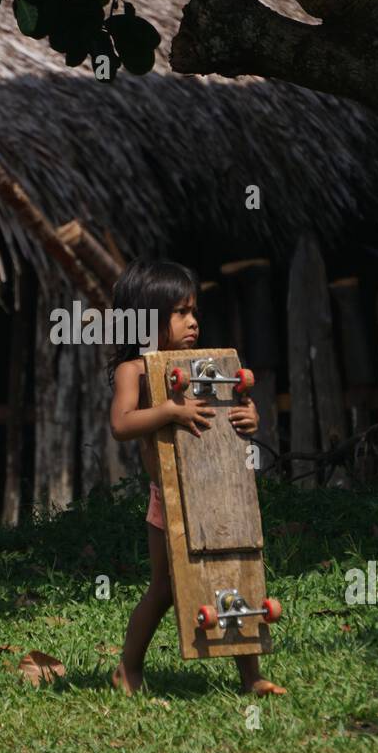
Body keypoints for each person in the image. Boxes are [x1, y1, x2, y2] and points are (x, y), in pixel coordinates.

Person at [105, 259, 286, 697]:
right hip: (168, 500)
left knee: (236, 576)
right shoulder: (135, 370)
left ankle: (251, 675)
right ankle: (127, 669)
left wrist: (248, 416)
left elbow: (232, 409)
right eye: (180, 313)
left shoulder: (205, 364)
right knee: (165, 587)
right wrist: (170, 410)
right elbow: (121, 424)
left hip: (217, 494)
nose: (192, 322)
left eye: (194, 312)